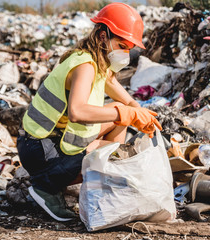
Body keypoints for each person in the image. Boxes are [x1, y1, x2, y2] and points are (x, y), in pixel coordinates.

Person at [17, 2, 162, 222]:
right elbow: (77, 111)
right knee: (107, 144)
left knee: (118, 125)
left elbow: (123, 97)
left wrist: (138, 113)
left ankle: (97, 177)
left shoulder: (97, 62)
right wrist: (126, 114)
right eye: (122, 45)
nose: (125, 53)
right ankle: (46, 186)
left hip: (46, 141)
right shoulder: (85, 65)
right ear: (103, 36)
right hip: (39, 149)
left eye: (128, 48)